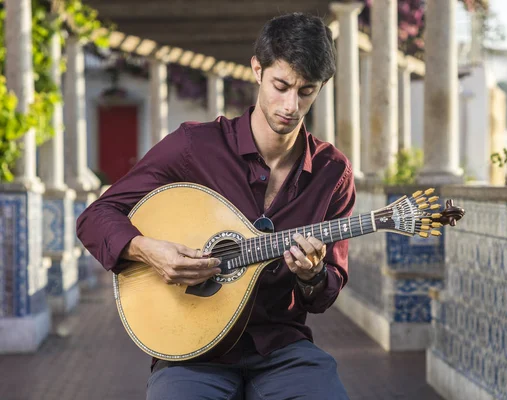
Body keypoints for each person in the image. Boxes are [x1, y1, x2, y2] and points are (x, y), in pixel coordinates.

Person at [77, 12, 354, 400]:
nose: (291, 105)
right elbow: (95, 217)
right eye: (281, 85)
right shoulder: (195, 147)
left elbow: (325, 295)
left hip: (281, 348)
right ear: (257, 69)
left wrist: (311, 275)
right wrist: (147, 250)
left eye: (306, 91)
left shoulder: (332, 173)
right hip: (192, 352)